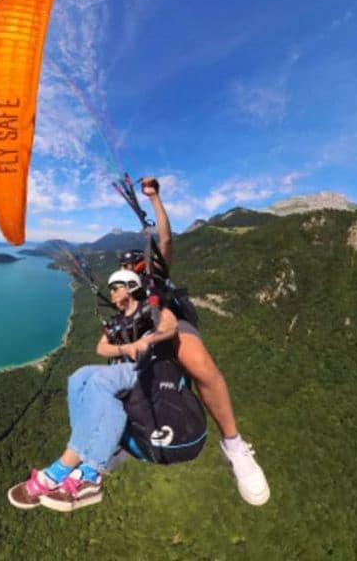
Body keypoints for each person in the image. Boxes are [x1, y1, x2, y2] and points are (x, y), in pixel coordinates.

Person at [122, 177, 270, 506]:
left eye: (137, 266)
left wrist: (155, 199)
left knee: (201, 363)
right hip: (142, 335)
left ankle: (233, 445)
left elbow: (166, 239)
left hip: (172, 325)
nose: (134, 271)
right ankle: (102, 451)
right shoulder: (122, 294)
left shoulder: (156, 279)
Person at [8, 269, 179, 512]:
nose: (111, 292)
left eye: (115, 286)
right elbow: (101, 348)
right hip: (126, 368)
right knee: (77, 379)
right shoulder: (116, 322)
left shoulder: (148, 310)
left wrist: (149, 340)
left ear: (130, 286)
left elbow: (171, 324)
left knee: (99, 383)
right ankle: (79, 458)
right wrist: (127, 347)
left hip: (149, 368)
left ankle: (83, 473)